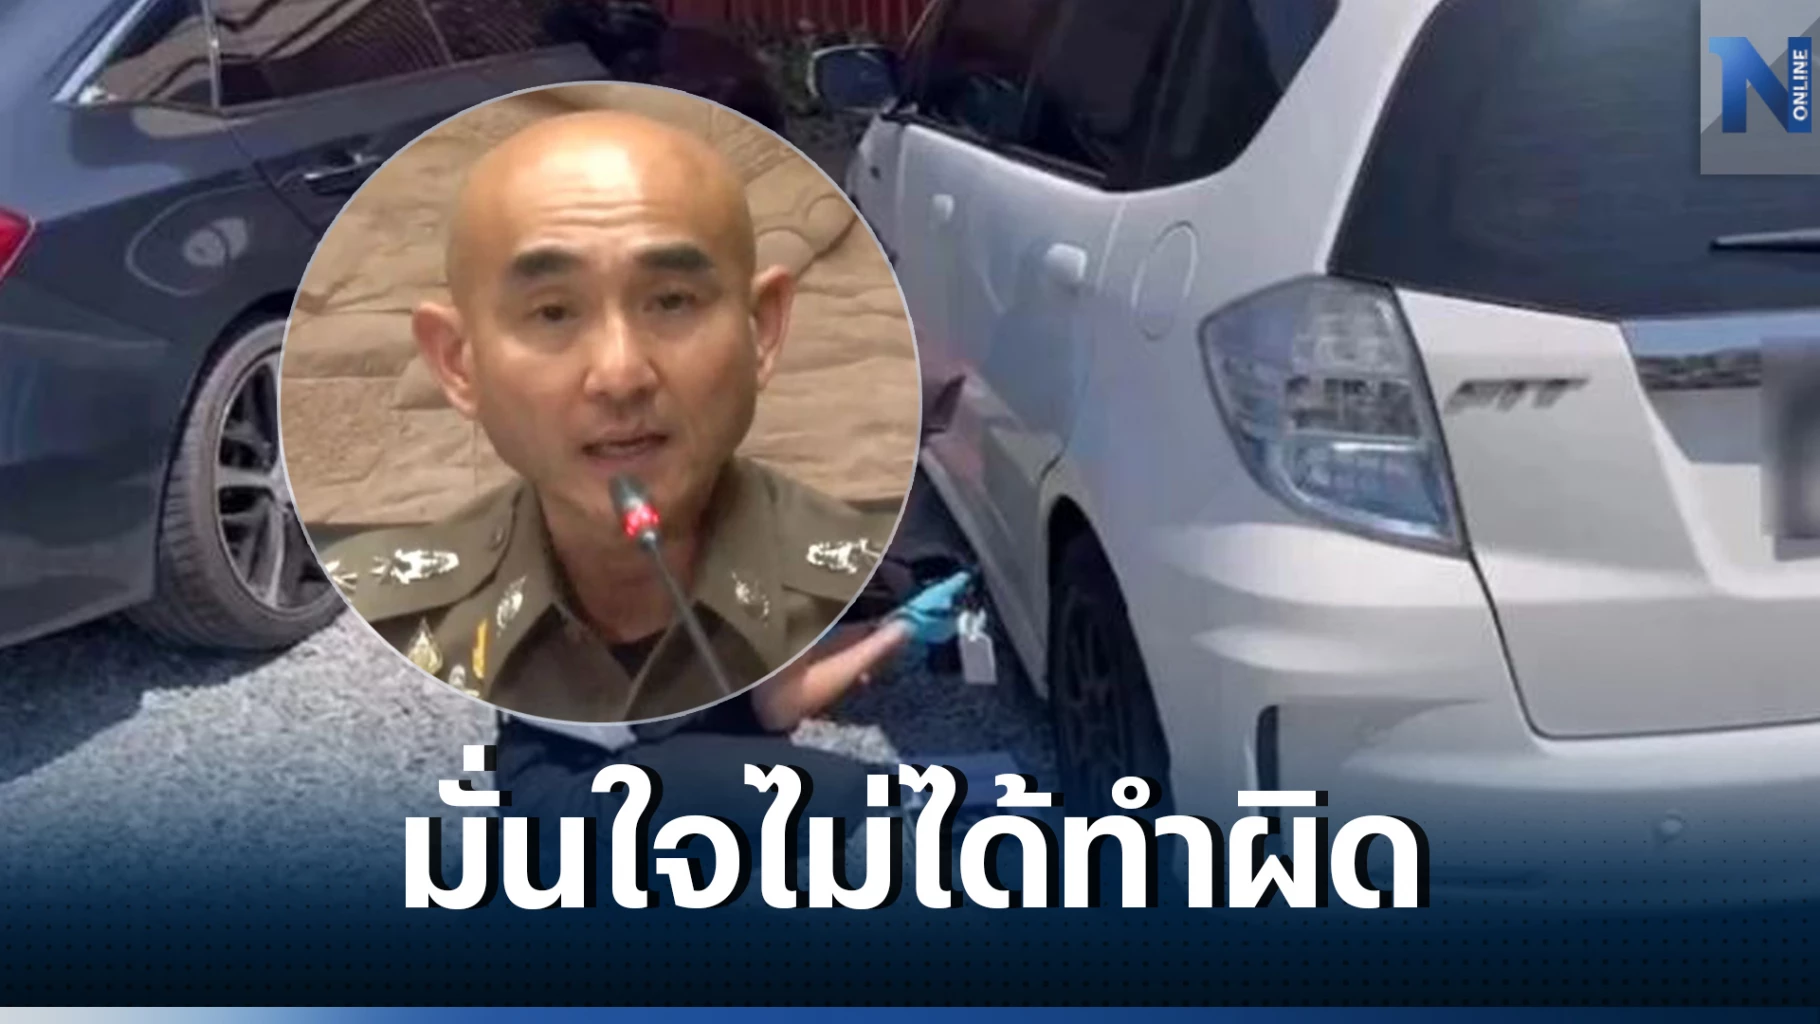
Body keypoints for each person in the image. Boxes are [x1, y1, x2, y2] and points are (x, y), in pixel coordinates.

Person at [320, 108, 939, 729]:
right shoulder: (415, 594)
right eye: (553, 313)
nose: (620, 376)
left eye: (671, 301)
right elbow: (778, 705)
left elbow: (779, 699)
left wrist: (885, 635)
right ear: (458, 363)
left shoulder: (823, 561)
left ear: (762, 329)